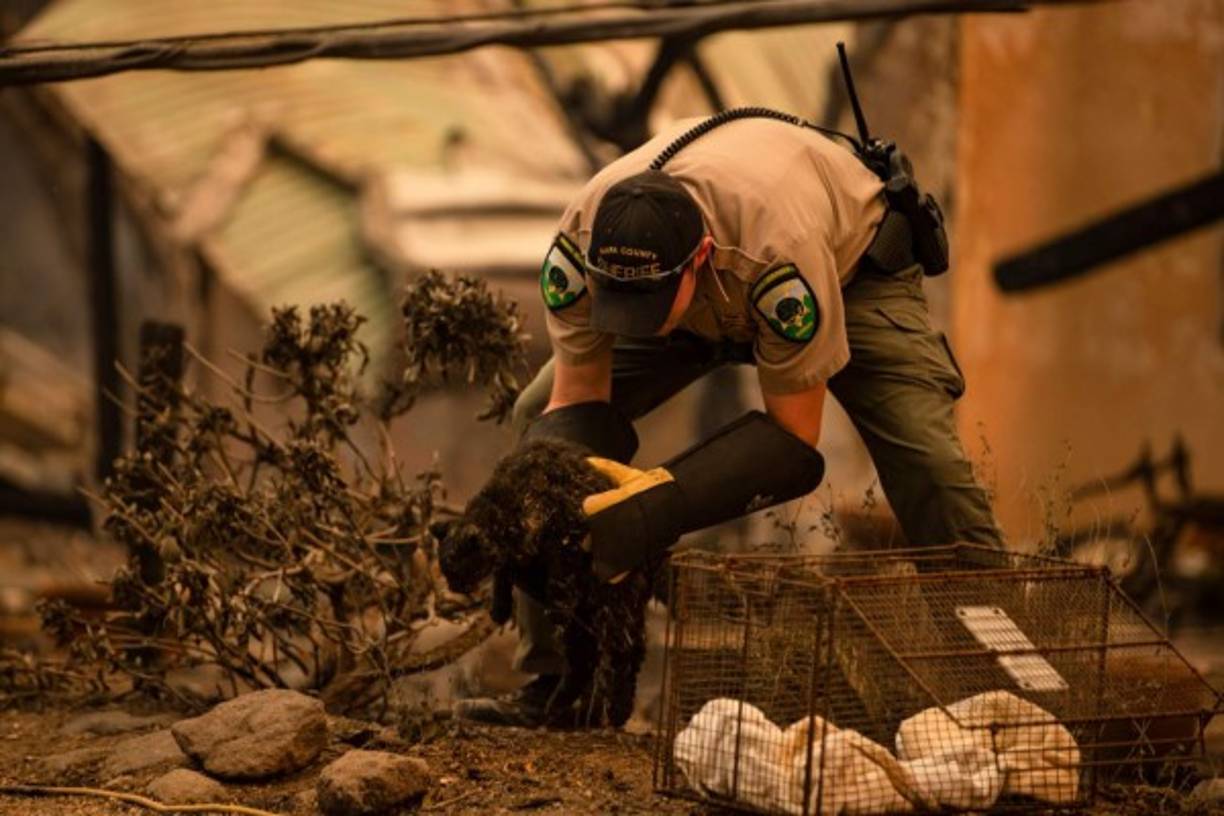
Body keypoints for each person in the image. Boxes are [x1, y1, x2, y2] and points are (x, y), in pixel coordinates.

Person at [454, 112, 1002, 727]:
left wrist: (659, 504)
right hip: (698, 299)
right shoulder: (577, 250)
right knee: (538, 423)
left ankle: (1005, 686)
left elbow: (794, 437)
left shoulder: (779, 253)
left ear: (701, 259)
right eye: (621, 304)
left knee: (929, 465)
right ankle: (559, 684)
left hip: (848, 276)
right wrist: (525, 511)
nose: (637, 321)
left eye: (648, 305)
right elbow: (580, 401)